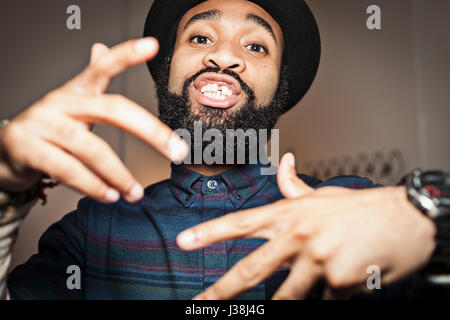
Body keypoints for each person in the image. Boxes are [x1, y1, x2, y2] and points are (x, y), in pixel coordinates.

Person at [0, 0, 448, 300]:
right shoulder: (90, 232)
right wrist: (4, 187)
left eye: (256, 46)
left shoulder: (352, 208)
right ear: (167, 72)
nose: (225, 57)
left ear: (280, 87)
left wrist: (429, 219)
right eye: (199, 38)